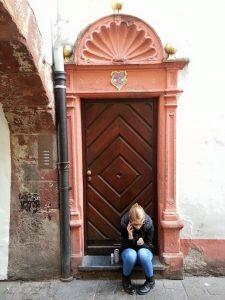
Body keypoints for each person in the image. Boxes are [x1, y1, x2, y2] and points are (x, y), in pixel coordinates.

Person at [120, 203, 155, 295]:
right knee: (131, 255)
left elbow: (150, 245)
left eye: (140, 224)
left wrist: (143, 244)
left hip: (144, 253)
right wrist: (130, 236)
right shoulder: (124, 223)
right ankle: (126, 281)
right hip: (129, 251)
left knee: (142, 253)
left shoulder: (148, 224)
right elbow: (124, 245)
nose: (138, 227)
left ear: (143, 220)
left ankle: (150, 281)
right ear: (131, 220)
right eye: (135, 224)